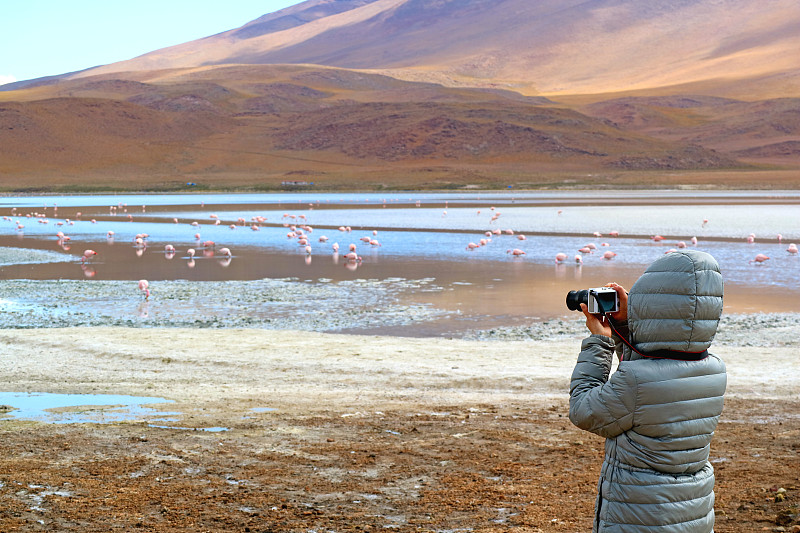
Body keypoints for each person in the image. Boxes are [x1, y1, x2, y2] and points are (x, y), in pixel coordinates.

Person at [569, 249, 727, 533]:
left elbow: (583, 409)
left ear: (652, 306)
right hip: (692, 511)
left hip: (639, 515)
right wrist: (625, 325)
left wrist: (600, 343)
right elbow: (659, 368)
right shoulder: (713, 368)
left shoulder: (637, 381)